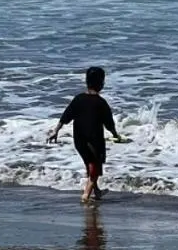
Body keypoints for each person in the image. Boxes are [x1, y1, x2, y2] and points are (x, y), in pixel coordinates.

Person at [48, 66, 124, 203]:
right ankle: (86, 195)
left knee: (90, 165)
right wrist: (116, 135)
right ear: (101, 84)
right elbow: (109, 124)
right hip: (94, 140)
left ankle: (97, 191)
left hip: (79, 140)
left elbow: (65, 117)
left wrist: (55, 131)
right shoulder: (101, 103)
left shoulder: (78, 99)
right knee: (95, 166)